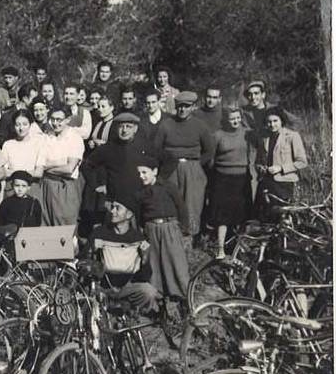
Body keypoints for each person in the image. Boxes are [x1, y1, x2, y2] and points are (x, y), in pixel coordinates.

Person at [82, 111, 173, 213]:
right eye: (121, 126)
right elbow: (87, 166)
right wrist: (97, 185)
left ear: (135, 129)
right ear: (116, 128)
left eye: (128, 126)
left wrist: (157, 181)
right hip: (116, 201)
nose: (124, 130)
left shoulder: (144, 145)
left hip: (140, 199)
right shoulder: (108, 148)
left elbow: (170, 160)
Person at [153, 91, 214, 238]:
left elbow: (209, 150)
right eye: (179, 106)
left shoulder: (200, 126)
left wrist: (197, 165)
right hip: (170, 168)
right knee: (171, 201)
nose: (182, 109)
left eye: (186, 106)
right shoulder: (166, 125)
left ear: (193, 107)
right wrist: (167, 162)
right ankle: (170, 235)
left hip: (192, 168)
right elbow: (156, 148)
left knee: (192, 204)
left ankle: (189, 238)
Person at [88, 194, 161, 314]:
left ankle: (136, 317)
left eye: (117, 208)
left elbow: (145, 277)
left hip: (127, 288)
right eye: (112, 207)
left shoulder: (138, 238)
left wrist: (145, 258)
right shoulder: (99, 233)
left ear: (129, 214)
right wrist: (92, 250)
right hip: (103, 287)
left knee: (149, 291)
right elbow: (84, 262)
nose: (112, 211)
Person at [135, 155, 190, 300]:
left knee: (176, 263)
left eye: (144, 172)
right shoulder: (140, 193)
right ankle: (159, 298)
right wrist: (143, 234)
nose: (141, 176)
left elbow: (181, 207)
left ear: (155, 171)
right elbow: (139, 215)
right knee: (154, 265)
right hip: (151, 230)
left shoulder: (168, 186)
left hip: (169, 228)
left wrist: (184, 229)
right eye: (139, 173)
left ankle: (184, 297)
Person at [208, 106, 254, 259]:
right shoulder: (218, 135)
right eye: (232, 118)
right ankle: (220, 248)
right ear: (226, 120)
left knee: (241, 215)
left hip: (242, 179)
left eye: (237, 118)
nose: (235, 121)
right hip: (223, 180)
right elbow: (210, 159)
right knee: (223, 216)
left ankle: (238, 247)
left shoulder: (246, 133)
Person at [254, 108, 308, 221]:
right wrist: (261, 168)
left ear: (281, 121)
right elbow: (258, 161)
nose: (272, 124)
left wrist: (281, 168)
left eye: (275, 121)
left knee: (282, 217)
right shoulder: (264, 138)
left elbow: (302, 162)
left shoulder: (292, 136)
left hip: (284, 184)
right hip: (266, 183)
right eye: (269, 122)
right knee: (264, 217)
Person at [40, 106, 85, 226]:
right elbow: (40, 163)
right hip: (46, 186)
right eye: (53, 119)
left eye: (59, 120)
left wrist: (47, 167)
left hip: (65, 187)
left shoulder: (75, 138)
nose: (55, 123)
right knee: (46, 227)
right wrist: (59, 162)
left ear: (68, 119)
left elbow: (69, 168)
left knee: (65, 227)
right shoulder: (47, 137)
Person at [1, 109, 46, 199]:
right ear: (13, 126)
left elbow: (39, 172)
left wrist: (14, 172)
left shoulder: (38, 143)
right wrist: (28, 172)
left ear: (30, 125)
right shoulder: (8, 144)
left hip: (31, 189)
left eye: (25, 124)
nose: (21, 128)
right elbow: (4, 172)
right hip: (12, 189)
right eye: (18, 125)